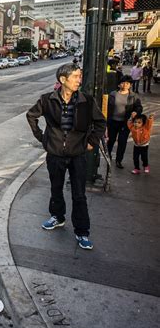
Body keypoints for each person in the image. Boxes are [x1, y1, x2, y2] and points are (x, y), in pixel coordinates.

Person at [26, 63, 106, 251]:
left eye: (80, 76)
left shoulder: (86, 100)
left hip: (78, 154)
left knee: (79, 194)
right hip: (55, 154)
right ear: (63, 80)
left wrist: (91, 142)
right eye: (76, 76)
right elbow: (31, 116)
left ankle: (82, 231)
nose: (80, 80)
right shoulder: (47, 100)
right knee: (56, 188)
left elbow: (100, 122)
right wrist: (43, 138)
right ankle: (57, 217)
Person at [107, 75, 142, 169]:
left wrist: (136, 112)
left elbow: (139, 107)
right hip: (113, 122)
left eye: (127, 83)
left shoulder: (133, 96)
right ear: (119, 84)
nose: (125, 85)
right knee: (111, 140)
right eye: (123, 83)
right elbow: (106, 108)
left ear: (130, 85)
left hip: (125, 123)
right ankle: (108, 156)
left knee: (122, 142)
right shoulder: (112, 94)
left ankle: (119, 160)